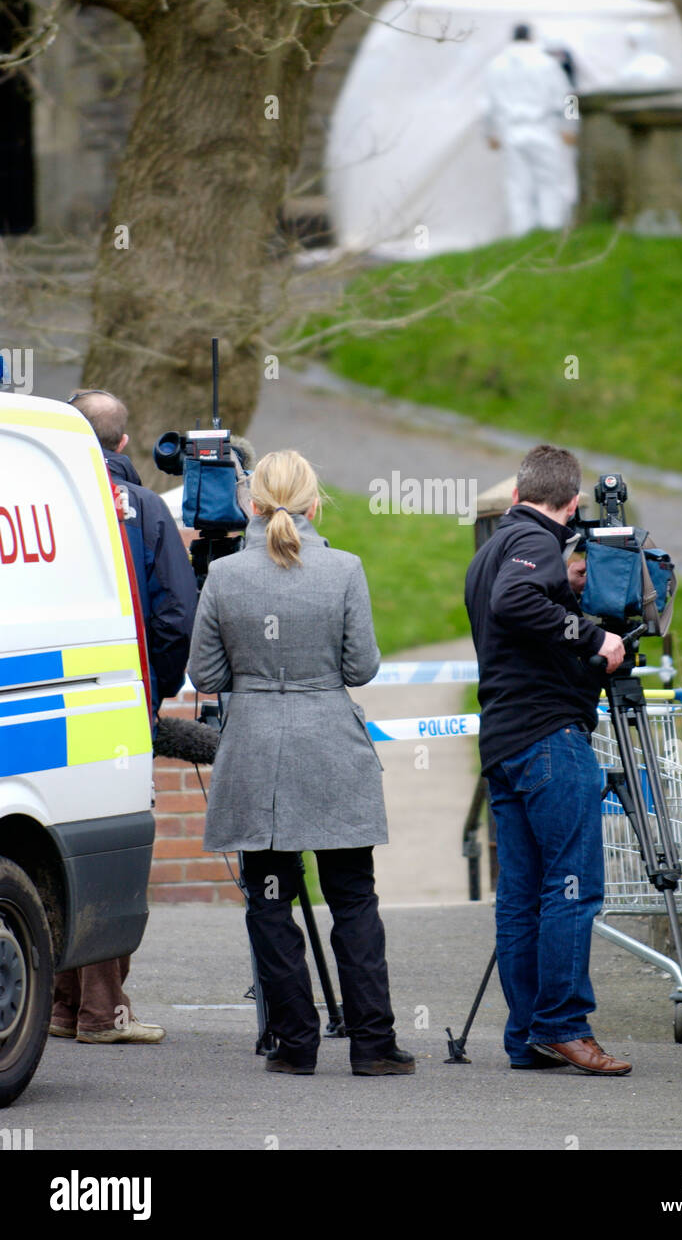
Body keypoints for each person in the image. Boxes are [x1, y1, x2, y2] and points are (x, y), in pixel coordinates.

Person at [187, 449, 414, 1077]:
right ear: (315, 505)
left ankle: (295, 1044)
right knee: (354, 901)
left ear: (250, 506)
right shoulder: (344, 568)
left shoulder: (227, 576)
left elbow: (204, 673)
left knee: (269, 902)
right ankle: (373, 1045)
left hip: (257, 753)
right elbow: (360, 667)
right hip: (331, 751)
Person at [464, 444, 631, 1075]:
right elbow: (517, 603)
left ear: (515, 495)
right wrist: (594, 635)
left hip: (506, 741)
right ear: (571, 504)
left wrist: (569, 592)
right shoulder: (535, 543)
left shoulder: (495, 547)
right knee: (572, 885)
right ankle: (564, 1025)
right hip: (547, 739)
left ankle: (528, 1034)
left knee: (523, 894)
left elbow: (515, 613)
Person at [50, 389, 198, 1046]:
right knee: (111, 847)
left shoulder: (43, 498)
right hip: (110, 703)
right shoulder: (140, 508)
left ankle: (57, 1005)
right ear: (122, 445)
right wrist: (152, 695)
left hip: (40, 700)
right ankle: (102, 1013)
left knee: (57, 845)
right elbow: (176, 617)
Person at [483, 23, 578, 238]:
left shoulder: (495, 65)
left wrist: (490, 133)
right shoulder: (547, 64)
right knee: (550, 181)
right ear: (531, 38)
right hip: (544, 128)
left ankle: (521, 232)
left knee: (517, 184)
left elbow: (486, 105)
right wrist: (570, 127)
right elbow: (568, 96)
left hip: (510, 131)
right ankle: (551, 229)